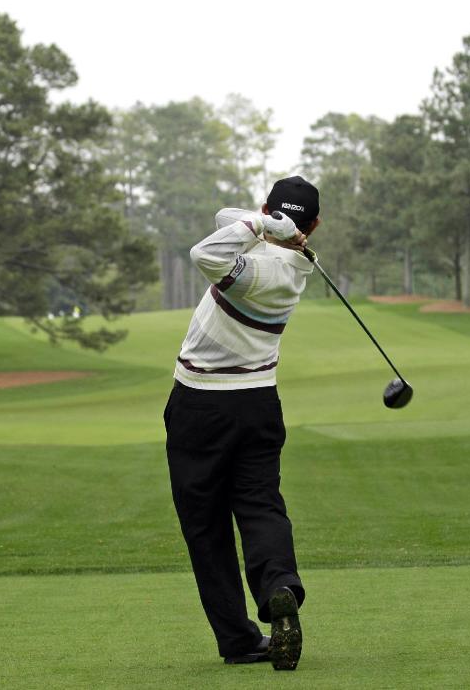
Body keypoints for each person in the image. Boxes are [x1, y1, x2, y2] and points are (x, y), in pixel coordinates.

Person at [164, 176, 319, 671]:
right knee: (259, 505)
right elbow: (222, 221)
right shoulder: (296, 261)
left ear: (269, 209)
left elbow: (204, 251)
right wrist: (275, 225)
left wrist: (264, 223)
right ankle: (279, 588)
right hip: (258, 405)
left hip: (199, 407)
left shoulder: (261, 269)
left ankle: (238, 639)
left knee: (206, 527)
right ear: (315, 225)